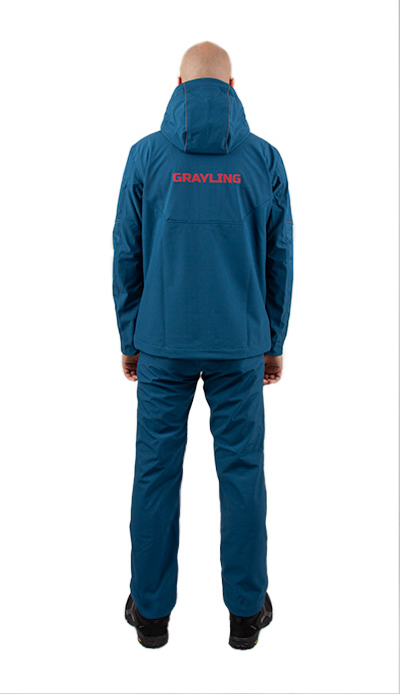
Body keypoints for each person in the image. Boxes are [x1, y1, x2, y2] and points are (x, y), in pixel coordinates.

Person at [112, 41, 293, 650]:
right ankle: (245, 614)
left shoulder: (146, 156)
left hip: (161, 343)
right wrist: (273, 339)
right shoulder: (263, 159)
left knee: (155, 473)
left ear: (179, 85)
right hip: (240, 344)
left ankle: (151, 616)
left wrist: (129, 336)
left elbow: (127, 251)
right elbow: (280, 254)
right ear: (232, 87)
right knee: (242, 474)